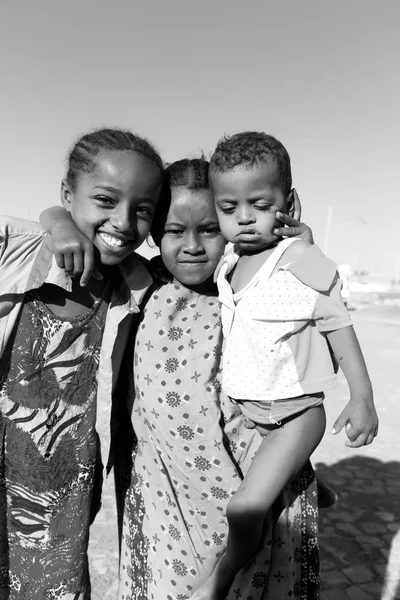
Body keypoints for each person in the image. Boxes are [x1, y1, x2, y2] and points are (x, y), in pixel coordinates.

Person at [41, 157, 321, 599]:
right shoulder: (146, 284)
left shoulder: (260, 290)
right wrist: (57, 219)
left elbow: (302, 403)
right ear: (154, 234)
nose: (192, 245)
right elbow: (79, 225)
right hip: (162, 499)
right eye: (173, 231)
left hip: (246, 495)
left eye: (210, 228)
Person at [191, 131, 379, 599]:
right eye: (229, 209)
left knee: (243, 510)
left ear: (288, 201)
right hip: (250, 414)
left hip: (292, 416)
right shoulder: (230, 260)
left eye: (259, 203)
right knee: (271, 488)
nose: (245, 219)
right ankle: (310, 488)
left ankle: (219, 578)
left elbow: (339, 326)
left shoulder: (300, 262)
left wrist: (362, 398)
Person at [0, 128, 164, 599]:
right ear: (69, 195)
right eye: (106, 200)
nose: (124, 221)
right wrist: (57, 223)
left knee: (53, 587)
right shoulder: (22, 255)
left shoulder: (132, 285)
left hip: (64, 485)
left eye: (142, 210)